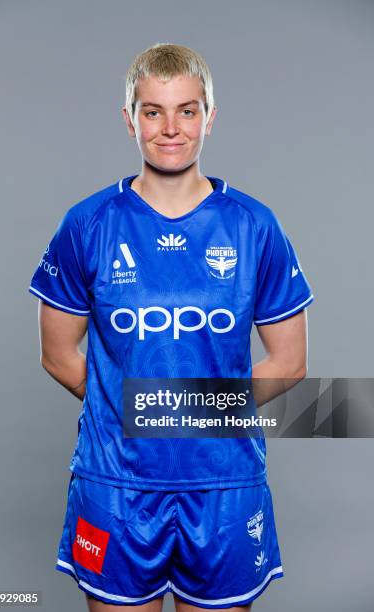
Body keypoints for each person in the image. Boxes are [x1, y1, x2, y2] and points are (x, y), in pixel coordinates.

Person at [28, 43, 314, 612]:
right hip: (116, 486)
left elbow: (289, 362)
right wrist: (127, 409)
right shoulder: (88, 223)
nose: (170, 129)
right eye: (152, 111)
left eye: (187, 110)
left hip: (224, 485)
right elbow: (58, 355)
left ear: (210, 117)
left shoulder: (254, 225)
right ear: (129, 119)